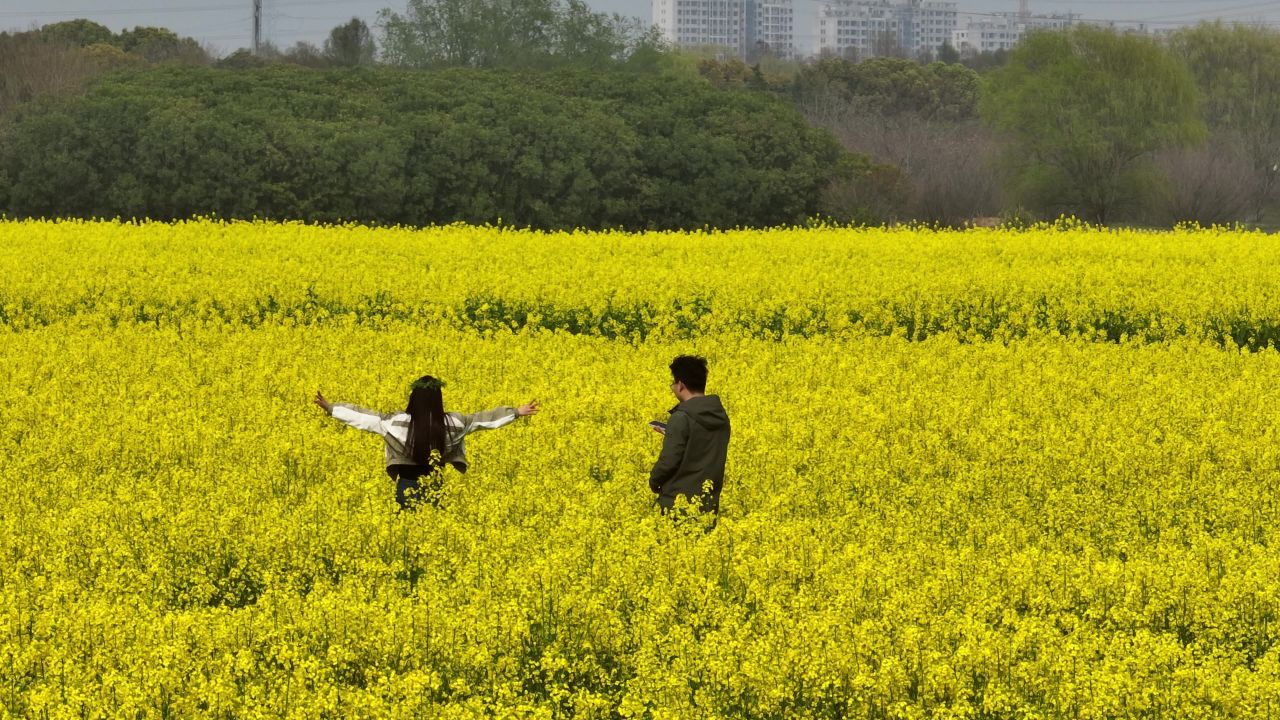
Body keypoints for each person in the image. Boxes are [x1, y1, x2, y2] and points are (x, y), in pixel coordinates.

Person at [314, 375, 539, 509]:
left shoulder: (395, 422)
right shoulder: (454, 424)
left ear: (413, 399)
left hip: (406, 484)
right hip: (435, 487)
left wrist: (332, 408)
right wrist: (516, 412)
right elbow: (484, 419)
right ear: (438, 399)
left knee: (408, 534)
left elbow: (363, 418)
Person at [649, 355, 731, 518]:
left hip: (677, 505)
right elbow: (704, 445)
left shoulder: (681, 418)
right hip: (707, 506)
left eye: (673, 382)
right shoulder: (721, 418)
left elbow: (669, 461)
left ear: (680, 385)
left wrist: (654, 481)